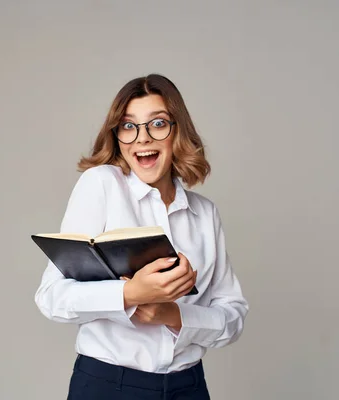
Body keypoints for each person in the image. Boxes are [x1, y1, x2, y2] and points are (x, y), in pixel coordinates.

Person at [34, 74, 248, 399]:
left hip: (188, 386)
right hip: (108, 386)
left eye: (158, 123)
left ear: (178, 131)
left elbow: (232, 316)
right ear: (117, 135)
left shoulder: (204, 213)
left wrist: (175, 315)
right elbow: (52, 298)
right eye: (129, 126)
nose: (142, 138)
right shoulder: (101, 185)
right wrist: (130, 294)